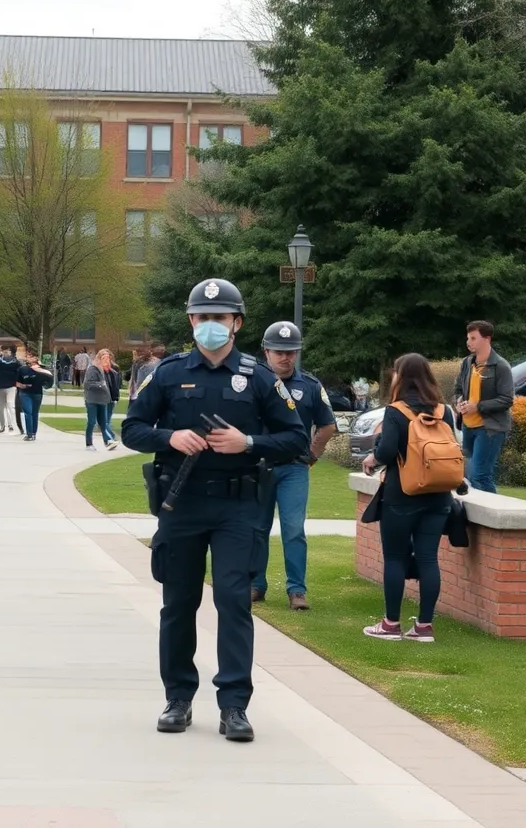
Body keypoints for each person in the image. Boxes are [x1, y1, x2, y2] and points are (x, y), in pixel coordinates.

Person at [120, 278, 307, 743]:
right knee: (178, 604)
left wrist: (249, 442)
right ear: (191, 321)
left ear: (236, 324)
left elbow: (296, 440)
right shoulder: (165, 373)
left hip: (237, 504)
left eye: (219, 318)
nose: (210, 326)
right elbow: (133, 429)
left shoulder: (259, 377)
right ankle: (178, 698)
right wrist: (169, 437)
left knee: (233, 602)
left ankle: (234, 706)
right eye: (202, 318)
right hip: (180, 504)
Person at [362, 353, 457, 643]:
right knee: (429, 559)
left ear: (400, 377)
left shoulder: (396, 411)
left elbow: (389, 450)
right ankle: (424, 627)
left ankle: (391, 624)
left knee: (394, 557)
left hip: (401, 496)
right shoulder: (444, 411)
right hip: (439, 496)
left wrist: (372, 458)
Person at [251, 321, 338, 610]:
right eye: (278, 351)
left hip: (293, 468)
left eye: (291, 352)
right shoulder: (252, 382)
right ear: (266, 351)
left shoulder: (310, 386)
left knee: (293, 529)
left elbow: (327, 426)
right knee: (257, 527)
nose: (285, 357)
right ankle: (255, 585)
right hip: (259, 466)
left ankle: (297, 591)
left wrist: (313, 455)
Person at [452, 320, 513, 493]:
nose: (468, 342)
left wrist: (477, 407)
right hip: (467, 426)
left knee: (480, 475)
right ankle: (478, 517)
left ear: (487, 339)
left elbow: (507, 399)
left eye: (473, 338)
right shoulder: (467, 363)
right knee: (470, 476)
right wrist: (458, 402)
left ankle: (495, 517)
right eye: (468, 338)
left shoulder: (500, 366)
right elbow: (457, 390)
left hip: (490, 428)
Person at [83, 348, 119, 452]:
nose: (106, 360)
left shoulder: (108, 371)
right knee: (91, 422)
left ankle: (108, 441)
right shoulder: (93, 369)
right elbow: (88, 383)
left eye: (108, 358)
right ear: (99, 358)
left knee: (103, 422)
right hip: (92, 400)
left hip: (103, 400)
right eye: (104, 358)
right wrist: (101, 385)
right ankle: (89, 443)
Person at [16, 347, 54, 441]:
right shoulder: (23, 369)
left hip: (37, 393)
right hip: (25, 393)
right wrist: (22, 386)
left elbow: (49, 381)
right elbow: (16, 382)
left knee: (34, 413)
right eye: (27, 356)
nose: (28, 358)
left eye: (31, 356)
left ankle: (33, 433)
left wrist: (46, 385)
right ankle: (29, 434)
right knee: (28, 412)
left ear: (36, 358)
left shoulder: (42, 370)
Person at [0, 343, 19, 433]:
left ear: (11, 352)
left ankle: (10, 424)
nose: (6, 352)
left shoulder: (15, 362)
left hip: (11, 386)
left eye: (7, 351)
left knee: (10, 405)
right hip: (0, 387)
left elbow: (19, 374)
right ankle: (2, 425)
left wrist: (17, 383)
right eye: (4, 351)